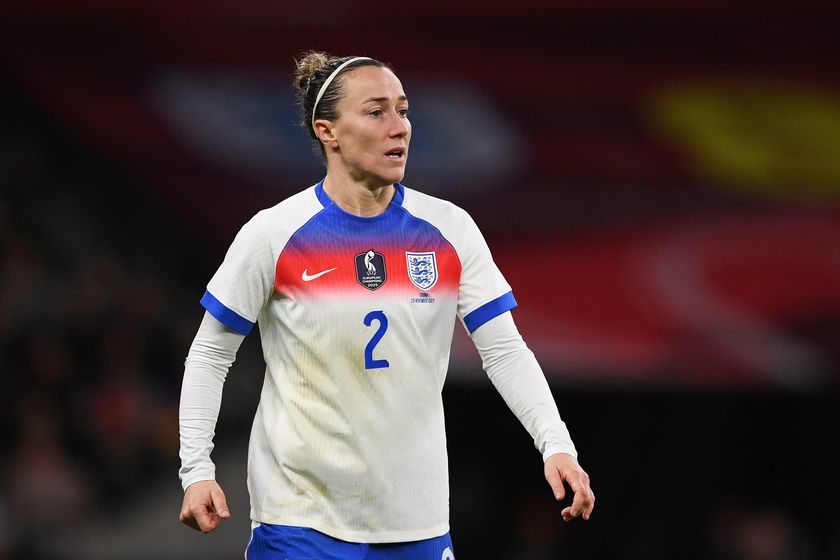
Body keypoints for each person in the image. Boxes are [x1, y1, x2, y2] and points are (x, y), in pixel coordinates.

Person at [178, 51, 594, 559]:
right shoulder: (274, 233)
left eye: (404, 110)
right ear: (327, 131)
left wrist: (556, 444)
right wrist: (197, 469)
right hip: (300, 521)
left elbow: (504, 349)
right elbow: (209, 355)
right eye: (376, 112)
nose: (399, 127)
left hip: (416, 522)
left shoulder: (450, 229)